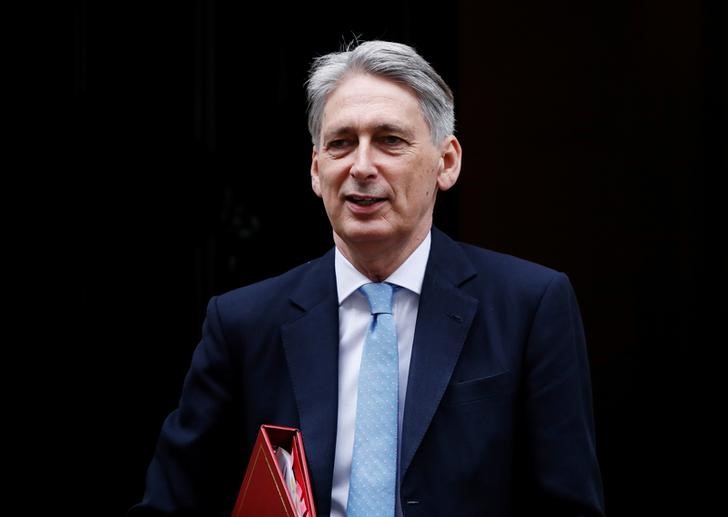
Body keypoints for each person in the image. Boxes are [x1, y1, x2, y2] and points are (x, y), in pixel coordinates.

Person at [130, 40, 605, 516]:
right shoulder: (243, 323)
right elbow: (172, 502)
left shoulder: (530, 306)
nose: (360, 166)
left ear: (446, 162)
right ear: (317, 171)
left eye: (390, 141)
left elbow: (567, 505)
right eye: (340, 144)